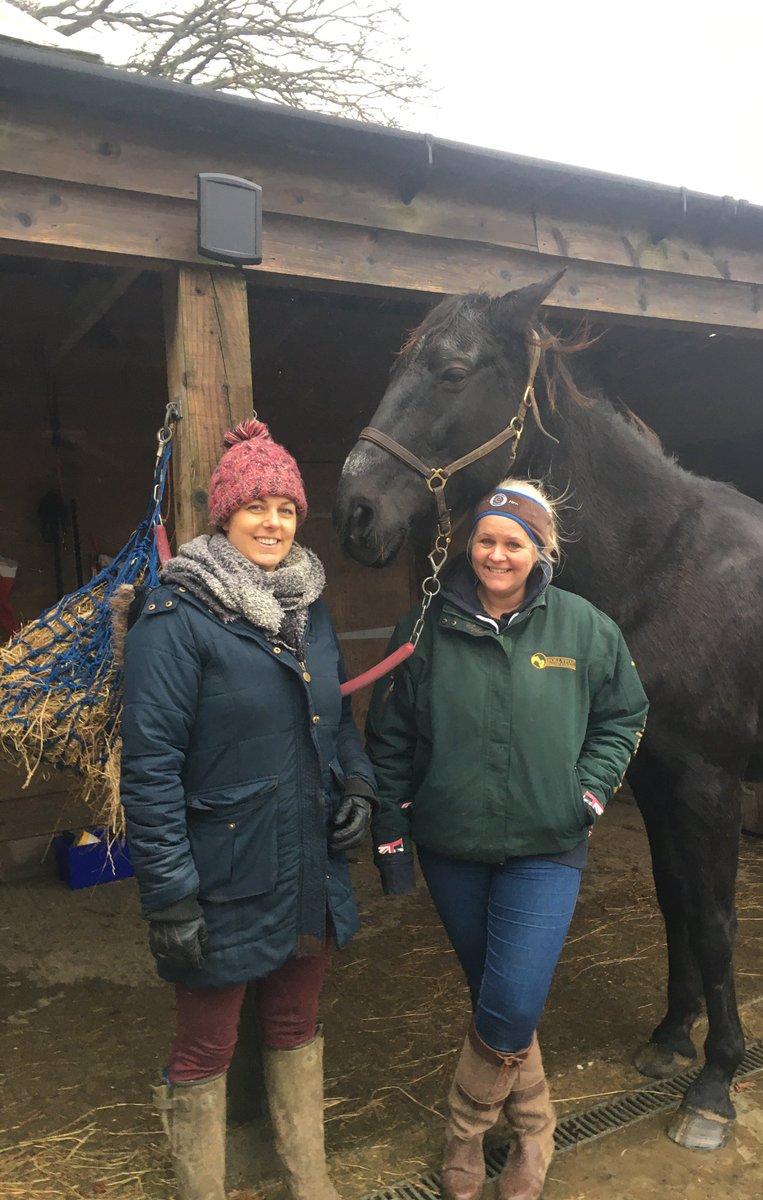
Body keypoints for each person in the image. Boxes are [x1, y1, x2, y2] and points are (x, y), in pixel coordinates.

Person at [365, 479, 648, 1200]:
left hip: (547, 842)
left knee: (513, 999)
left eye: (514, 543)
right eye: (486, 539)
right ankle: (534, 1129)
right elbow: (390, 739)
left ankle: (464, 1132)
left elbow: (624, 713)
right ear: (470, 544)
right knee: (498, 997)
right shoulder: (424, 626)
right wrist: (391, 840)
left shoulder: (583, 628)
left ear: (540, 550)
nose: (497, 554)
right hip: (452, 844)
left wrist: (588, 792)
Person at [119, 419, 375, 1200]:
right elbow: (150, 767)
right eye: (256, 506)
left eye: (286, 509)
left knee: (296, 1023)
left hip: (306, 859)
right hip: (223, 871)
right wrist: (170, 895)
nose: (272, 523)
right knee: (207, 1047)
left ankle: (309, 1181)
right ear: (224, 515)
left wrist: (358, 784)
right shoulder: (177, 617)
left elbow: (337, 717)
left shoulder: (310, 606)